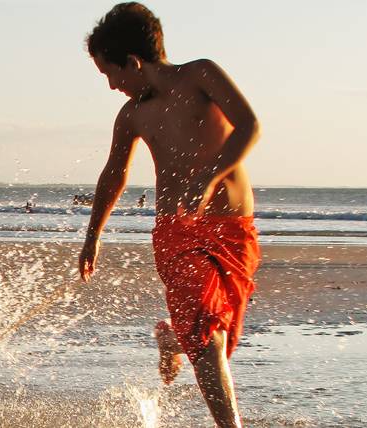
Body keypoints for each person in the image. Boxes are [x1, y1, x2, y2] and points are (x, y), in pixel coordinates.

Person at [75, 3, 261, 427]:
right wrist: (93, 236)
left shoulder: (202, 75)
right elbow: (113, 175)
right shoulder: (132, 114)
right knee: (207, 335)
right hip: (176, 234)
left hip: (234, 231)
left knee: (216, 332)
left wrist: (211, 179)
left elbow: (249, 125)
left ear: (134, 62)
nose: (111, 86)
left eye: (111, 74)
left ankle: (171, 336)